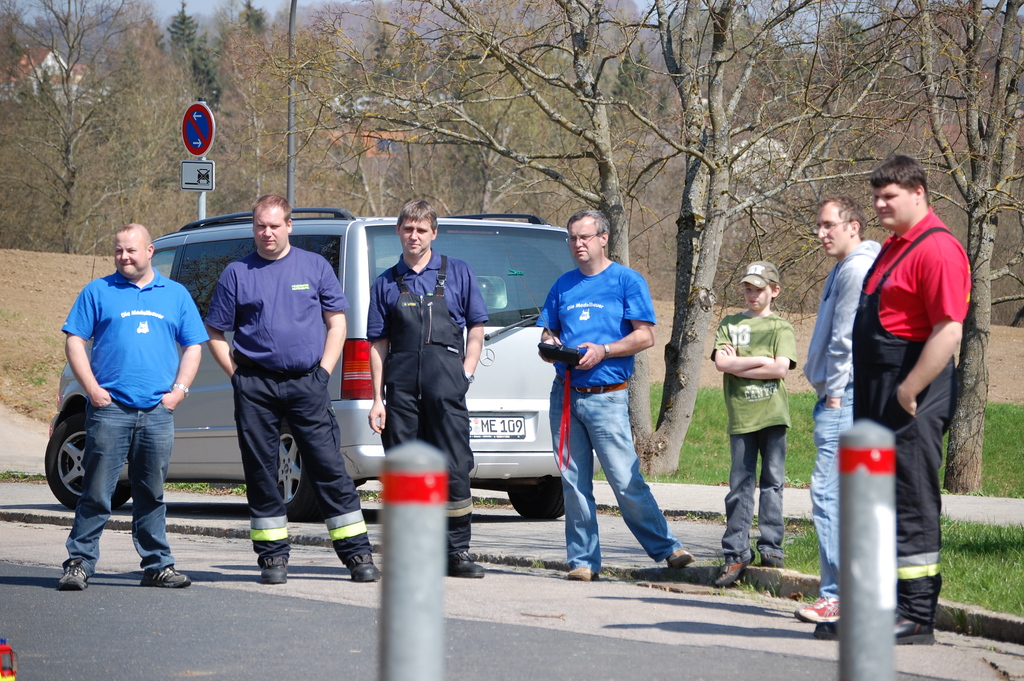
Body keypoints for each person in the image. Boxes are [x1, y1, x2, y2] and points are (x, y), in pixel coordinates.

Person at [205, 194, 379, 585]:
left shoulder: (314, 266)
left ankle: (357, 554)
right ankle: (273, 558)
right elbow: (214, 330)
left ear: (289, 226)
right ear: (253, 228)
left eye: (274, 226)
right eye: (260, 226)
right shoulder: (237, 273)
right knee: (262, 472)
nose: (267, 233)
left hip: (307, 383)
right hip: (255, 386)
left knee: (329, 468)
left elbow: (337, 324)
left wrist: (323, 372)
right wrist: (237, 375)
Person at [537, 209, 694, 582]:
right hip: (566, 395)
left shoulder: (626, 281)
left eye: (585, 237)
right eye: (573, 238)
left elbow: (646, 336)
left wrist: (604, 350)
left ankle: (667, 548)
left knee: (624, 479)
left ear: (603, 238)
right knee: (573, 482)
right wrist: (551, 346)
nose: (578, 244)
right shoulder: (563, 285)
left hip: (607, 397)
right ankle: (582, 561)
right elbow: (547, 333)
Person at [854, 155, 970, 645]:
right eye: (876, 196)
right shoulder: (891, 247)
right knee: (875, 501)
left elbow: (948, 331)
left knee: (911, 500)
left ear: (918, 193)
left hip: (912, 394)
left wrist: (908, 389)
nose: (880, 204)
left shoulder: (938, 249)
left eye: (889, 196)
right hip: (877, 392)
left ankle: (918, 614)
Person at [57, 223, 208, 591]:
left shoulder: (175, 295)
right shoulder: (98, 291)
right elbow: (75, 341)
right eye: (118, 250)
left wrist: (179, 392)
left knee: (151, 493)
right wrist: (92, 389)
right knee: (96, 491)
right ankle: (79, 563)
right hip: (110, 409)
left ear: (150, 251)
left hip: (157, 411)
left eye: (131, 250)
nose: (124, 257)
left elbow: (193, 346)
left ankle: (157, 565)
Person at [368, 199, 488, 578]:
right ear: (399, 232)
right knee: (405, 470)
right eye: (408, 229)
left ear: (434, 233)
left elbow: (477, 327)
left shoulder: (458, 272)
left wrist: (466, 373)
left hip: (446, 387)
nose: (414, 236)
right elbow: (378, 344)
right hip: (401, 391)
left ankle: (457, 552)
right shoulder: (385, 282)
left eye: (422, 230)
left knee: (454, 466)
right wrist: (377, 399)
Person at [797, 197, 880, 629]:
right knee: (845, 496)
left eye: (829, 225)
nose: (821, 233)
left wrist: (833, 394)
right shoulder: (845, 266)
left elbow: (845, 337)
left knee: (826, 493)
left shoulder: (855, 269)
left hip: (842, 397)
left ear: (853, 226)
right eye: (819, 225)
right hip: (841, 394)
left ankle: (838, 597)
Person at [712, 260, 797, 588]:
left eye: (759, 289)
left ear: (775, 291)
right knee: (740, 486)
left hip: (773, 415)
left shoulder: (781, 327)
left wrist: (739, 363)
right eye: (748, 288)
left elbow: (780, 369)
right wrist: (761, 360)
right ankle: (736, 552)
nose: (752, 295)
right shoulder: (730, 323)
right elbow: (721, 364)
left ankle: (771, 547)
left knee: (773, 482)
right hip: (742, 415)